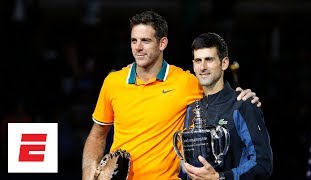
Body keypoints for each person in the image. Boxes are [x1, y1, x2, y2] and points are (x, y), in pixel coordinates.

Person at [82, 10, 261, 180]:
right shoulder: (113, 82)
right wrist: (89, 174)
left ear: (162, 43)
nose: (138, 47)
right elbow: (97, 135)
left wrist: (243, 96)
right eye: (133, 40)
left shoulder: (186, 82)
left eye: (145, 40)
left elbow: (220, 94)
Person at [183, 32, 273, 180]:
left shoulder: (243, 105)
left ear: (224, 63)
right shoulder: (191, 109)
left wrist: (220, 177)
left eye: (209, 59)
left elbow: (262, 163)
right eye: (198, 60)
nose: (203, 67)